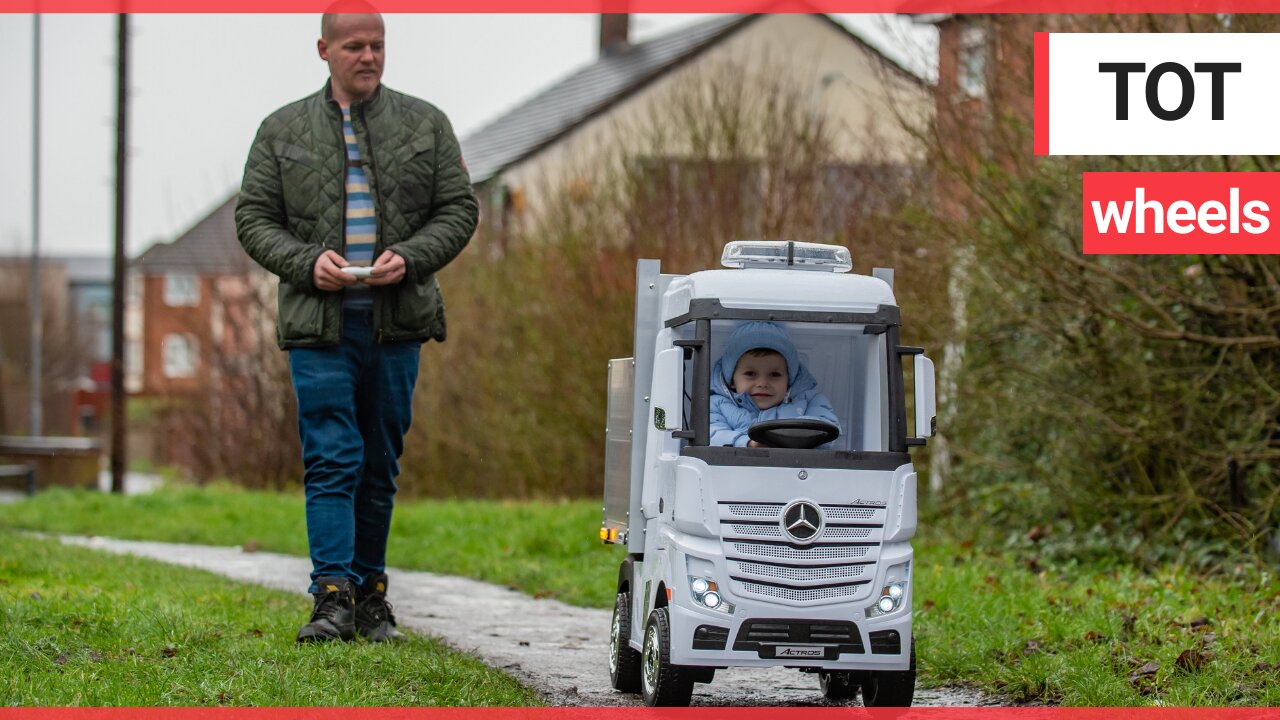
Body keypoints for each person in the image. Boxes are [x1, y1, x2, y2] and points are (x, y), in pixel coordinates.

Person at [235, 8, 478, 643]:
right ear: (324, 50)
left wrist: (415, 256)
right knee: (331, 456)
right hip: (320, 325)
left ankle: (371, 597)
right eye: (353, 46)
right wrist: (305, 263)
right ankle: (331, 597)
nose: (367, 56)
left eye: (377, 45)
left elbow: (459, 208)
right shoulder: (280, 129)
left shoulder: (425, 124)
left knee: (379, 462)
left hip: (397, 324)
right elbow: (254, 219)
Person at [709, 321, 841, 448]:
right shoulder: (716, 404)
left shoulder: (810, 400)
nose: (762, 383)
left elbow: (827, 429)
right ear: (731, 380)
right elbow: (710, 434)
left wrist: (790, 437)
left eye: (774, 375)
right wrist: (748, 443)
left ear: (789, 379)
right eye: (750, 374)